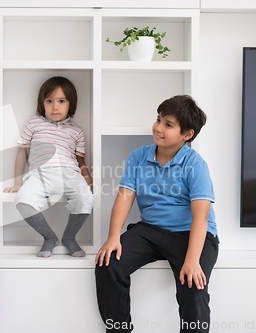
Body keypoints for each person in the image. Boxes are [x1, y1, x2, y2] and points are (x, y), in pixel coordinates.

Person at [95, 95, 219, 333]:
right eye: (158, 119)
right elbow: (124, 197)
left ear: (187, 134)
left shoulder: (195, 165)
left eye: (168, 125)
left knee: (193, 285)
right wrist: (113, 237)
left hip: (191, 233)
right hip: (150, 229)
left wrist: (192, 260)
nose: (158, 128)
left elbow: (201, 218)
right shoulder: (139, 156)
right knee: (108, 263)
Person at [4, 76, 94, 258]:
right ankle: (49, 237)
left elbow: (80, 161)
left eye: (61, 101)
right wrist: (17, 182)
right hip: (40, 174)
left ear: (71, 103)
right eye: (49, 101)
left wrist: (88, 180)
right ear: (42, 103)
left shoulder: (76, 131)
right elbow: (22, 152)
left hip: (70, 173)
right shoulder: (34, 123)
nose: (55, 107)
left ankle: (69, 237)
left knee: (86, 199)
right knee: (22, 201)